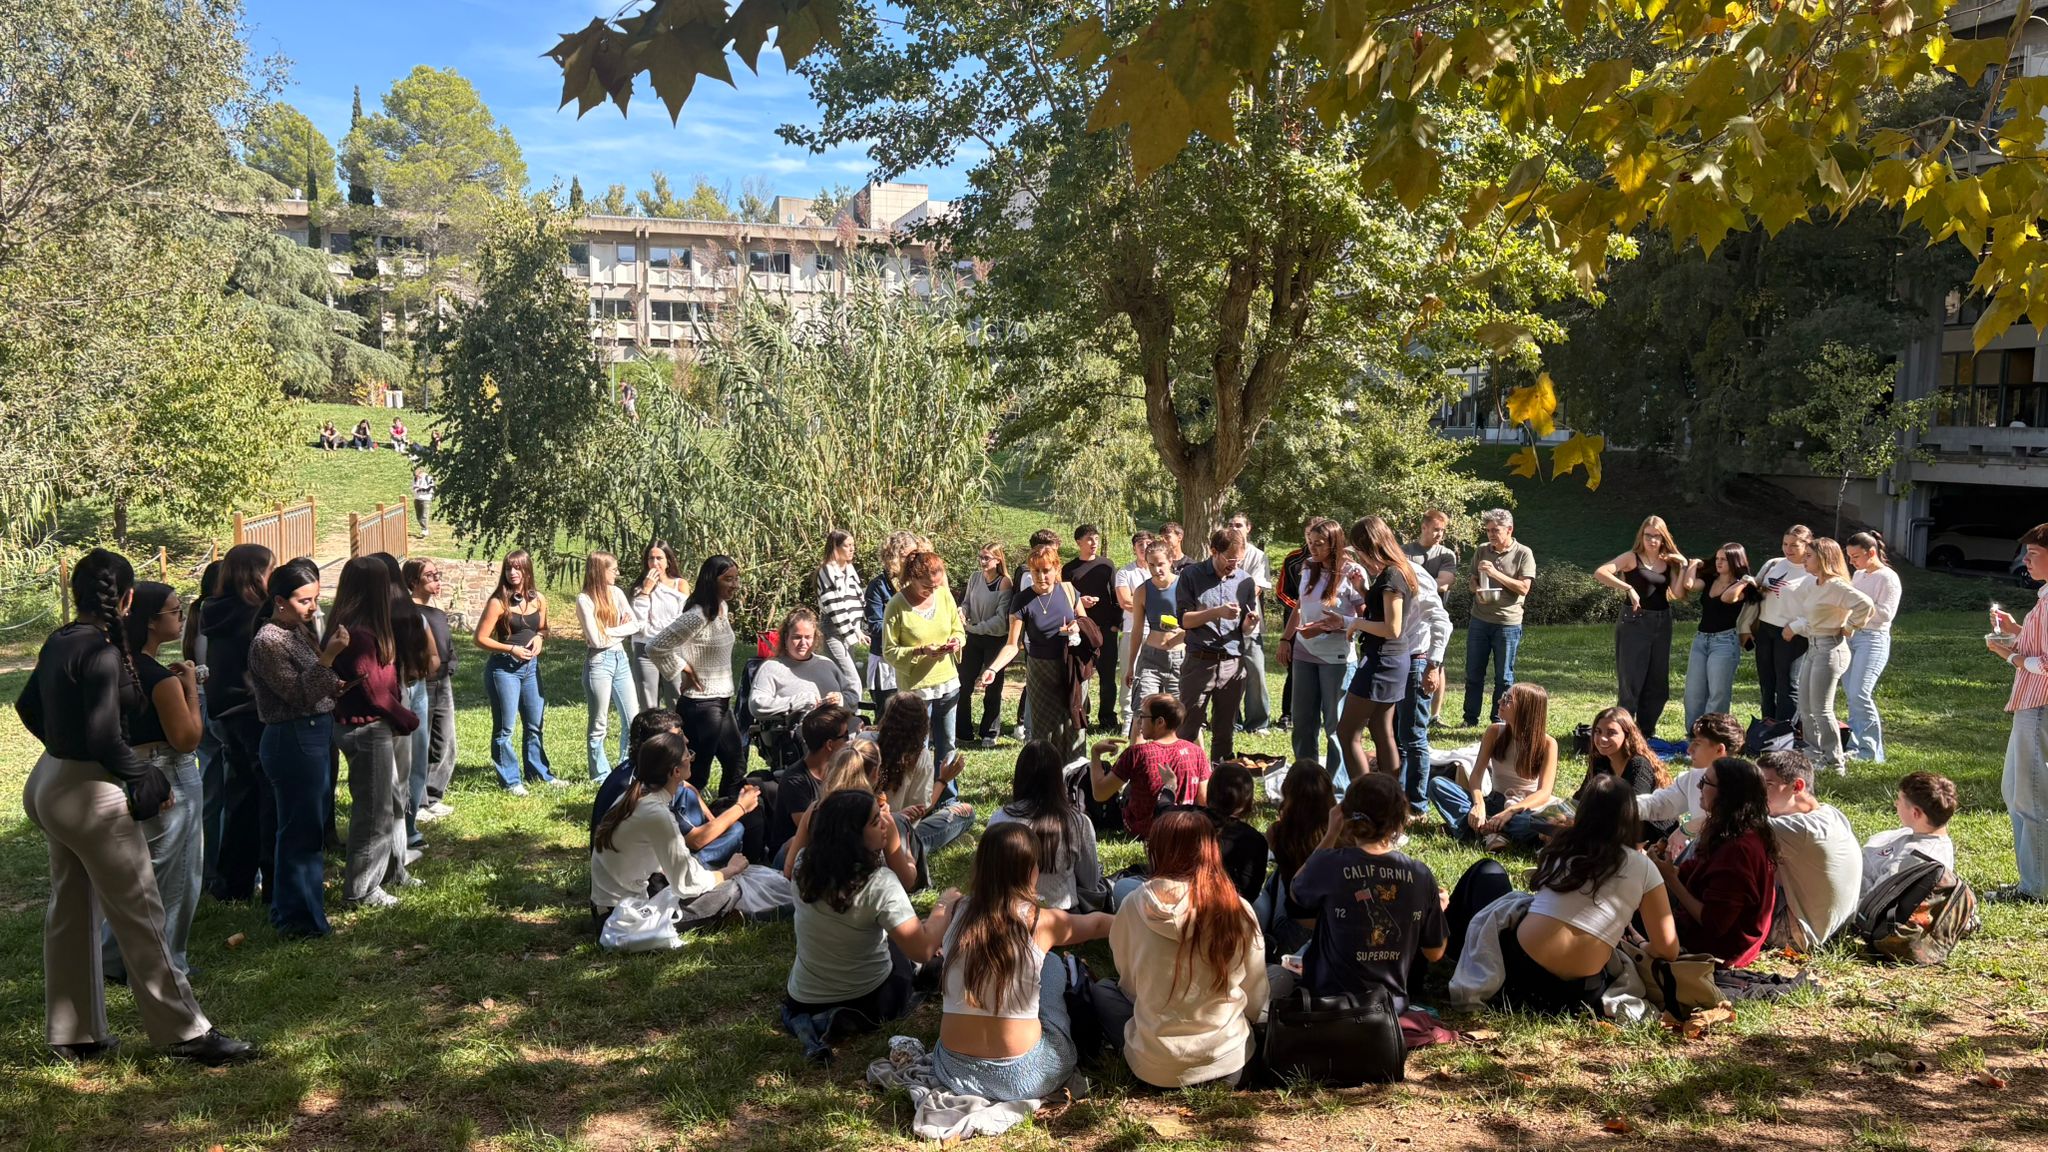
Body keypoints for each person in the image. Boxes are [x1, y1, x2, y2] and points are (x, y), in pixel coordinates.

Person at [15, 549, 254, 1065]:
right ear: (125, 599)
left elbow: (26, 706)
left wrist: (63, 746)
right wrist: (139, 773)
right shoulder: (102, 652)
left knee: (71, 908)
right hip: (89, 794)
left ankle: (72, 1034)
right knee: (142, 911)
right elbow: (104, 736)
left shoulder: (59, 640)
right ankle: (185, 1033)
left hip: (50, 783)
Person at [1445, 776, 1680, 1014]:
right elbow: (1668, 949)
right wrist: (1641, 944)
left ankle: (1441, 945)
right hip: (1579, 994)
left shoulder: (1562, 846)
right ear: (1631, 817)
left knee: (1487, 871)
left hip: (1520, 975)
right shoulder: (1644, 867)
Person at [932, 823, 1112, 1103]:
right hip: (1026, 1075)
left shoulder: (956, 910)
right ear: (1031, 870)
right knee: (1051, 963)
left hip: (953, 1069)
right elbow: (1098, 923)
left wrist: (942, 904)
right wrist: (1138, 918)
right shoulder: (1040, 922)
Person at [1090, 810, 1268, 1090]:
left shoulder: (1134, 906)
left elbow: (1130, 985)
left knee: (1103, 991)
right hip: (1229, 1063)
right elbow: (1257, 996)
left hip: (1154, 1071)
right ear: (1211, 850)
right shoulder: (1237, 909)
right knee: (1278, 975)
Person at [785, 790, 956, 1048]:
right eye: (876, 821)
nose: (887, 824)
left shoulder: (801, 866)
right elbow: (922, 949)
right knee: (916, 954)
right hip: (867, 999)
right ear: (853, 836)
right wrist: (945, 905)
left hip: (803, 998)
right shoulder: (879, 883)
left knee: (894, 936)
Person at [97, 581, 204, 984]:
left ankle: (113, 958)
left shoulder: (114, 663)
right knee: (176, 874)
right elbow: (188, 738)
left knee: (138, 874)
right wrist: (190, 688)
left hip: (129, 771)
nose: (181, 616)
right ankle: (168, 962)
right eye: (176, 611)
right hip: (169, 770)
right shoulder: (159, 678)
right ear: (152, 622)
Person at [1281, 775, 1446, 1013]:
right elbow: (1435, 952)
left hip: (1328, 1007)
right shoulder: (1420, 874)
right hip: (1388, 1011)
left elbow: (1296, 893)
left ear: (1343, 814)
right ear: (1400, 820)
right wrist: (1435, 910)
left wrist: (1330, 835)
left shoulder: (1329, 864)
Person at [249, 558, 351, 937]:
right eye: (305, 601)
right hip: (291, 735)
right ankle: (296, 919)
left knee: (310, 826)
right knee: (298, 830)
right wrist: (330, 658)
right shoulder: (269, 641)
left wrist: (333, 682)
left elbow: (313, 683)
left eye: (316, 599)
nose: (313, 608)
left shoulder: (296, 632)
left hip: (315, 730)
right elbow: (296, 694)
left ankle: (306, 912)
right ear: (279, 600)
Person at [328, 557, 423, 910]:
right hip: (365, 729)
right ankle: (362, 889)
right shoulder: (360, 636)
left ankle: (389, 871)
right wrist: (406, 718)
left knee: (388, 804)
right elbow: (375, 692)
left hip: (369, 726)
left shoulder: (362, 628)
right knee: (373, 812)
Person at [590, 732, 751, 917]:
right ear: (676, 771)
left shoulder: (635, 796)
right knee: (730, 890)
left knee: (709, 879)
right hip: (624, 916)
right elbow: (687, 883)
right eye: (688, 755)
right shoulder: (655, 812)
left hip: (610, 905)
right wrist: (730, 870)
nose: (691, 759)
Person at [202, 542, 275, 904]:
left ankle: (233, 883)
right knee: (269, 800)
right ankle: (271, 882)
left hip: (226, 712)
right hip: (255, 711)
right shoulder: (256, 614)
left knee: (240, 797)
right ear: (257, 574)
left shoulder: (212, 609)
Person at [1656, 756, 1778, 968]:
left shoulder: (1738, 849)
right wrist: (1663, 866)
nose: (1698, 786)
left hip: (1719, 950)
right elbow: (1693, 874)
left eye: (1706, 782)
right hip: (1707, 935)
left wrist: (1670, 879)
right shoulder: (1729, 829)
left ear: (1728, 794)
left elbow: (1714, 924)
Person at [979, 543, 1091, 763]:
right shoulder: (1021, 600)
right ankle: (1046, 781)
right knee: (1044, 732)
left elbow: (1087, 624)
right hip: (1041, 671)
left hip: (1071, 668)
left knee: (1074, 725)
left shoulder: (1069, 591)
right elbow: (1013, 645)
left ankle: (1075, 781)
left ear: (1056, 568)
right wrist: (993, 668)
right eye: (1035, 571)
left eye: (1046, 570)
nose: (1041, 576)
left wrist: (1077, 627)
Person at [649, 556, 748, 799]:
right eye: (728, 579)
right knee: (697, 773)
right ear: (710, 580)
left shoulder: (721, 608)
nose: (734, 584)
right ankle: (678, 820)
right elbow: (656, 646)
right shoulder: (698, 615)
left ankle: (726, 815)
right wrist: (684, 668)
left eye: (736, 579)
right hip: (701, 705)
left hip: (722, 701)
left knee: (736, 765)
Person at [1988, 522, 2048, 903]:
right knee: (2017, 791)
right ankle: (2034, 880)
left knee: (2030, 797)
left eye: (2035, 554)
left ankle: (2036, 887)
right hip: (2032, 705)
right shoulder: (2044, 599)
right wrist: (2017, 629)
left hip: (2039, 706)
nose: (2025, 560)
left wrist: (2008, 653)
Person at [1335, 516, 1419, 786]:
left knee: (1347, 732)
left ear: (1370, 545)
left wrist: (1358, 622)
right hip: (1392, 660)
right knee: (1381, 730)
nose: (1358, 554)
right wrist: (1363, 589)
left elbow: (1392, 627)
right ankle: (1389, 799)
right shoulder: (1394, 571)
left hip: (1383, 661)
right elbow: (1384, 609)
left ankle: (1365, 799)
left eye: (1359, 548)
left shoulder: (1393, 575)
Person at [1426, 682, 1560, 852]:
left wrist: (1510, 812)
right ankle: (1494, 829)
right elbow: (1476, 776)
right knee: (1438, 785)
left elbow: (1544, 792)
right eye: (1503, 697)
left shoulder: (1548, 743)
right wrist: (1478, 803)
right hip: (1495, 801)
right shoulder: (1494, 732)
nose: (1500, 702)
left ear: (1525, 708)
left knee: (1536, 824)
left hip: (1525, 807)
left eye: (1507, 700)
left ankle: (1481, 830)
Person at [1280, 518, 1362, 791]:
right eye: (1310, 543)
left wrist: (1335, 624)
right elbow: (1300, 607)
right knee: (1303, 722)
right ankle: (1306, 784)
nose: (1313, 548)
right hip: (1304, 653)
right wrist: (1286, 638)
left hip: (1337, 658)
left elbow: (1364, 617)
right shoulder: (1307, 568)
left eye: (1319, 544)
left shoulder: (1352, 572)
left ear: (1334, 544)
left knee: (1335, 727)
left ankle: (1337, 789)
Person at [1784, 537, 1874, 774]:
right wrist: (1796, 627)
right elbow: (1813, 617)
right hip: (1813, 647)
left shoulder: (1837, 585)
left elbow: (1866, 605)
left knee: (1822, 709)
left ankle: (1835, 762)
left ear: (1824, 558)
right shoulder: (1815, 584)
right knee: (1805, 707)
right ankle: (1814, 754)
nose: (1805, 559)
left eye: (1810, 556)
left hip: (1830, 648)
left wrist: (1850, 626)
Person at [1757, 750, 1862, 950]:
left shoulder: (1802, 829)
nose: (1759, 793)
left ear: (1797, 786)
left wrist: (1686, 828)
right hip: (1832, 928)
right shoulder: (1829, 813)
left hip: (1798, 933)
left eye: (1768, 785)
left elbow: (1730, 823)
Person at [1595, 515, 1688, 737]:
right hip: (1634, 621)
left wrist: (1682, 566)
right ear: (1641, 536)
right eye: (1648, 536)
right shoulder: (1631, 558)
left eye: (1657, 536)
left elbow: (1677, 594)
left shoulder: (1668, 562)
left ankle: (1646, 732)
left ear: (1663, 538)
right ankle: (1624, 732)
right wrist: (1628, 587)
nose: (1652, 540)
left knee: (1657, 682)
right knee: (1632, 680)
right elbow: (1601, 572)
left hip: (1662, 621)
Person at [475, 550, 559, 794]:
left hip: (531, 669)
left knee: (534, 724)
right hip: (504, 669)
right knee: (505, 729)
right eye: (508, 568)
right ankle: (511, 781)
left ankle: (539, 773)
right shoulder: (498, 602)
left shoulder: (539, 599)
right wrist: (510, 648)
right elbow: (479, 639)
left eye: (517, 568)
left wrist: (540, 638)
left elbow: (543, 628)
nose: (512, 573)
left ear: (527, 570)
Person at [1173, 527, 1258, 760]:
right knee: (1188, 728)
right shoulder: (1191, 575)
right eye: (1230, 559)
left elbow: (1245, 629)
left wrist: (1250, 624)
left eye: (1239, 560)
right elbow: (1184, 621)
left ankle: (1221, 782)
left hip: (1232, 663)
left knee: (1225, 730)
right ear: (1213, 551)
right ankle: (1184, 780)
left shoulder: (1245, 581)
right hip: (1200, 662)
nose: (1235, 565)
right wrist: (1217, 612)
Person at [988, 739, 1103, 910]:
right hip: (1064, 917)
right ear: (1058, 778)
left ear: (1019, 776)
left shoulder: (1000, 818)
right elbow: (1090, 882)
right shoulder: (1078, 822)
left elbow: (990, 874)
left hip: (1008, 913)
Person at [881, 549, 967, 774]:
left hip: (947, 681)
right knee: (917, 747)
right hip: (916, 689)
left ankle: (947, 797)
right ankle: (916, 799)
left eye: (937, 585)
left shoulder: (944, 595)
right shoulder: (896, 605)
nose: (933, 591)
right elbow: (889, 651)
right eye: (927, 586)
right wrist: (920, 651)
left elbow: (958, 629)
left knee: (947, 743)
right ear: (912, 578)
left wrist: (956, 641)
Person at [1088, 694, 1212, 840]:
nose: (1139, 722)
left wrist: (1095, 753)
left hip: (1143, 831)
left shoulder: (1137, 753)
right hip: (1184, 828)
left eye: (1143, 716)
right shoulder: (1197, 752)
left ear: (1160, 722)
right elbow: (1203, 800)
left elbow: (1100, 793)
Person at [874, 692, 975, 856]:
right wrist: (943, 780)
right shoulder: (920, 756)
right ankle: (915, 849)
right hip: (898, 837)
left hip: (864, 832)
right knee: (966, 812)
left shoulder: (865, 742)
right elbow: (921, 809)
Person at [1636, 711, 1746, 860]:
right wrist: (1620, 804)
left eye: (1697, 744)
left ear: (1719, 750)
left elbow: (1731, 823)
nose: (1689, 750)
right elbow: (1660, 804)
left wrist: (1687, 829)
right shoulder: (1692, 778)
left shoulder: (1744, 783)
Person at [1463, 508, 1536, 727]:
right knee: (1473, 672)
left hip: (1507, 623)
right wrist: (1477, 590)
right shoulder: (1482, 550)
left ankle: (1499, 719)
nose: (1491, 535)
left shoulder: (1523, 553)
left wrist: (1495, 574)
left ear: (1509, 529)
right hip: (1479, 620)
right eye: (1488, 530)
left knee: (1503, 676)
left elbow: (1524, 588)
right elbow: (1472, 579)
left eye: (1496, 530)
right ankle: (1469, 719)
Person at [577, 552, 644, 782]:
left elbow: (635, 624)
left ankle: (626, 769)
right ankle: (600, 775)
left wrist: (609, 630)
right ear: (599, 571)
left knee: (632, 718)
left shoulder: (616, 593)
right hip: (599, 663)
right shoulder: (585, 599)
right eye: (613, 569)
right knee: (599, 721)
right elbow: (596, 641)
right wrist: (618, 630)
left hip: (620, 660)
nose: (617, 573)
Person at [748, 607, 856, 750]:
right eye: (797, 637)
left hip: (841, 731)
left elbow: (853, 696)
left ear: (815, 638)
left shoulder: (827, 664)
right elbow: (757, 705)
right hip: (800, 738)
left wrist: (840, 699)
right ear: (786, 637)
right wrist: (798, 702)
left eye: (808, 637)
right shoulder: (772, 668)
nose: (803, 643)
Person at [1679, 543, 1758, 731]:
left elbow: (1727, 598)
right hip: (1701, 640)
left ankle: (1713, 735)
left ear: (1734, 561)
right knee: (1693, 693)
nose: (1719, 562)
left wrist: (1744, 580)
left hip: (1724, 642)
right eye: (1717, 559)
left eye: (1724, 559)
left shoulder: (1742, 588)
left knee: (1718, 694)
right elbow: (1689, 584)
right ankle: (1693, 735)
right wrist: (1693, 564)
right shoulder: (1710, 579)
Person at [403, 559, 458, 828]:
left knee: (445, 741)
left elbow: (446, 642)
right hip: (422, 684)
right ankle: (419, 801)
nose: (437, 579)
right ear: (413, 581)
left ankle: (434, 795)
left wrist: (453, 662)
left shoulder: (436, 610)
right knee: (419, 744)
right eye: (430, 575)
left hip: (443, 681)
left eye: (438, 574)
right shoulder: (409, 612)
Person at [1396, 556, 1452, 816]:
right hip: (1394, 660)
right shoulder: (1384, 573)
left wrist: (1433, 665)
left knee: (1413, 737)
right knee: (1398, 736)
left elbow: (1441, 620)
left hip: (1417, 661)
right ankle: (1399, 798)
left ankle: (1417, 807)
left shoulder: (1412, 574)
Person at [766, 703, 856, 863]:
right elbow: (809, 830)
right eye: (845, 736)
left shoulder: (840, 769)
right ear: (829, 745)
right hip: (791, 854)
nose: (849, 741)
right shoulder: (795, 779)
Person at [183, 560, 226, 895]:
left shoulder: (198, 611)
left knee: (211, 788)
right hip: (216, 702)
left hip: (200, 699)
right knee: (219, 790)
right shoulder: (216, 613)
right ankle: (214, 869)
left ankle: (210, 868)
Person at [1844, 530, 1902, 764]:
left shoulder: (1888, 577)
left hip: (1873, 639)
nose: (1851, 561)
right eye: (1849, 556)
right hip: (1851, 636)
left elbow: (1885, 614)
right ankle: (1855, 745)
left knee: (1860, 692)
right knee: (1851, 693)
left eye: (1855, 556)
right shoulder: (1859, 575)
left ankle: (1870, 752)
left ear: (1871, 552)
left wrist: (1860, 607)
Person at [1121, 540, 1186, 740]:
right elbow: (1137, 629)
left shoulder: (1184, 586)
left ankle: (1188, 763)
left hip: (1179, 657)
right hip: (1150, 657)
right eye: (1151, 565)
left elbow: (1197, 623)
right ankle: (1134, 763)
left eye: (1161, 564)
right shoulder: (1142, 591)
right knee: (1142, 711)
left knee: (1178, 715)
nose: (1156, 569)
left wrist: (1180, 629)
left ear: (1171, 561)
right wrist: (1131, 664)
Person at [1064, 524, 1126, 730]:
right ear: (1078, 542)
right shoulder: (1069, 569)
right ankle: (1082, 715)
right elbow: (1065, 599)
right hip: (1081, 629)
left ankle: (1108, 717)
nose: (1093, 543)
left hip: (1106, 629)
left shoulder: (1107, 565)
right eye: (1089, 539)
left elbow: (1116, 597)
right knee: (1082, 674)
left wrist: (1116, 625)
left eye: (1096, 539)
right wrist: (1081, 602)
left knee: (1108, 676)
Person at [1264, 762, 1336, 938]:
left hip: (1292, 926)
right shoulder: (1343, 833)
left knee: (1277, 876)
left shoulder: (1278, 832)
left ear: (1288, 793)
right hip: (1334, 927)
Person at [591, 708, 683, 844]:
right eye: (678, 737)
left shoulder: (638, 767)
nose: (685, 741)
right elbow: (693, 840)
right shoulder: (632, 783)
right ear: (657, 744)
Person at [1752, 525, 1815, 723]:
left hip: (1791, 634)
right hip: (1765, 629)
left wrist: (1797, 627)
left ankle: (1785, 734)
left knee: (1787, 685)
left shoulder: (1812, 571)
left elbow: (1819, 611)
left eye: (1794, 545)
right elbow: (1757, 589)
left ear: (1807, 545)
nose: (1788, 549)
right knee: (1767, 683)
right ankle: (1766, 728)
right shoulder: (1775, 564)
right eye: (1785, 544)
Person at [1862, 772, 1958, 895]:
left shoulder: (1915, 860)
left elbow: (1870, 902)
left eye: (1899, 800)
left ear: (1915, 813)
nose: (1896, 803)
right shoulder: (1920, 832)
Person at [956, 542, 1013, 750]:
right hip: (973, 636)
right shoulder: (975, 578)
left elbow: (1001, 622)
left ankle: (990, 731)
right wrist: (962, 611)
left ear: (998, 560)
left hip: (994, 639)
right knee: (963, 683)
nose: (982, 561)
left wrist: (975, 628)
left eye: (987, 558)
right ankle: (962, 730)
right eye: (980, 556)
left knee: (992, 686)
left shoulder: (1004, 583)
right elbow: (967, 602)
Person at [1225, 513, 1275, 735]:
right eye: (1230, 525)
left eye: (1239, 525)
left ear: (1248, 528)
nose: (1234, 528)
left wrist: (1239, 603)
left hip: (1250, 622)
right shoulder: (1222, 550)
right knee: (1229, 672)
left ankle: (1258, 722)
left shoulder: (1257, 555)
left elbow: (1257, 586)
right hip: (1225, 622)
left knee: (1255, 672)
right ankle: (1232, 720)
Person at [1193, 761, 1268, 904]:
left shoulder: (1188, 819)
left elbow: (1163, 808)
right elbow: (1251, 892)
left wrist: (1169, 787)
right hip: (1232, 911)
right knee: (1265, 901)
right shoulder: (1255, 840)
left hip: (1187, 902)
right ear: (1247, 800)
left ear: (1210, 793)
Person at [630, 540, 690, 712]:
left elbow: (683, 620)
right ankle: (651, 738)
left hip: (672, 648)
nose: (654, 563)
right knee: (648, 703)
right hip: (646, 648)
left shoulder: (680, 585)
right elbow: (639, 623)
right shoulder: (639, 588)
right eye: (651, 558)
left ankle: (677, 737)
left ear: (668, 560)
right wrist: (646, 591)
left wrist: (658, 629)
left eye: (659, 558)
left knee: (676, 698)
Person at [863, 531, 919, 714]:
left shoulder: (917, 583)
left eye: (915, 554)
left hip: (914, 657)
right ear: (895, 556)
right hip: (886, 661)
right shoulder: (878, 586)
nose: (914, 560)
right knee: (888, 715)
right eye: (908, 556)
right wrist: (909, 630)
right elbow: (876, 625)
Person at [815, 529, 867, 714]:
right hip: (833, 630)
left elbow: (856, 601)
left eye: (853, 545)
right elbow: (835, 605)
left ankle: (842, 717)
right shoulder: (826, 571)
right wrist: (852, 634)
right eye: (847, 545)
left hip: (849, 629)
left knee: (843, 679)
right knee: (852, 680)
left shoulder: (850, 569)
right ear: (835, 547)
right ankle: (854, 718)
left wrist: (858, 630)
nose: (852, 549)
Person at [1578, 706, 1667, 806]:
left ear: (1627, 735)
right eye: (1598, 732)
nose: (1602, 738)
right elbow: (1581, 797)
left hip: (1647, 819)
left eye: (1611, 733)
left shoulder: (1639, 764)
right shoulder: (1600, 760)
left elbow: (1634, 809)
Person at [1404, 509, 1460, 599]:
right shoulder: (1403, 551)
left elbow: (1443, 584)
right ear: (1424, 527)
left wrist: (1413, 586)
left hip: (1434, 610)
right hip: (1408, 609)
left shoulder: (1446, 554)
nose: (1440, 534)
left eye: (1442, 530)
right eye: (1436, 529)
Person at [411, 467, 434, 539]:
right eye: (416, 476)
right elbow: (414, 488)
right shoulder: (415, 479)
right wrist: (421, 489)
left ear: (421, 473)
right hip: (417, 498)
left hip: (426, 499)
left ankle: (425, 530)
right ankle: (423, 528)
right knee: (418, 516)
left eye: (418, 475)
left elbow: (431, 489)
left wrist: (421, 489)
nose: (417, 477)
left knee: (424, 515)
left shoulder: (428, 478)